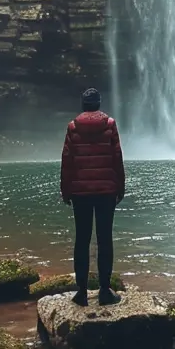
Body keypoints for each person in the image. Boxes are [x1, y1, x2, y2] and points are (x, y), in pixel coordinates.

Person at [59, 87, 125, 306]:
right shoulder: (110, 125)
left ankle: (81, 292)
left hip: (80, 193)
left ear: (83, 105)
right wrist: (120, 186)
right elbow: (117, 157)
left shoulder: (72, 127)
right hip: (106, 191)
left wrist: (66, 190)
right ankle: (105, 291)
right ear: (99, 104)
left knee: (82, 240)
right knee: (104, 239)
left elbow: (67, 161)